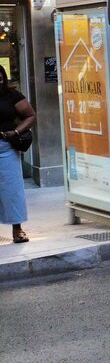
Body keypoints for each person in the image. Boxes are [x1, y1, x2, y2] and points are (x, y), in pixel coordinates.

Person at [0, 67, 35, 244]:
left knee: (12, 189)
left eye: (0, 78)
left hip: (5, 147)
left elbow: (30, 116)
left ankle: (17, 229)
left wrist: (16, 131)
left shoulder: (12, 95)